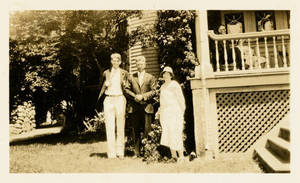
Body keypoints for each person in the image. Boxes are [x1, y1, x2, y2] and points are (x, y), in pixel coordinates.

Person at [97, 53, 129, 159]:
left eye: (117, 60)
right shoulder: (106, 72)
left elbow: (128, 87)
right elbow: (100, 86)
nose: (115, 62)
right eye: (113, 60)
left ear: (120, 62)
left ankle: (120, 152)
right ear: (111, 61)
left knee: (120, 126)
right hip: (109, 99)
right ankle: (111, 153)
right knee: (109, 126)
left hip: (120, 98)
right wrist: (105, 85)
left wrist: (125, 85)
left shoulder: (124, 73)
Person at [125, 56, 157, 157]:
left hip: (147, 107)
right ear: (136, 65)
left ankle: (147, 152)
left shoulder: (150, 77)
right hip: (134, 107)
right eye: (138, 64)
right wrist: (135, 96)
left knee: (147, 130)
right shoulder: (131, 77)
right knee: (135, 130)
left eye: (142, 63)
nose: (140, 65)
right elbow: (126, 89)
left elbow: (154, 91)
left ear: (145, 64)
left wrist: (143, 96)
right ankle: (136, 152)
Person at [159, 66, 186, 162]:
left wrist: (181, 112)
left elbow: (181, 100)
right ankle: (174, 156)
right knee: (168, 133)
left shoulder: (174, 85)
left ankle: (181, 156)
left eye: (167, 74)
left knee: (176, 133)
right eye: (164, 74)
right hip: (165, 113)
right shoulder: (162, 87)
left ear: (171, 75)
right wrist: (160, 113)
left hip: (175, 111)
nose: (165, 75)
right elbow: (161, 102)